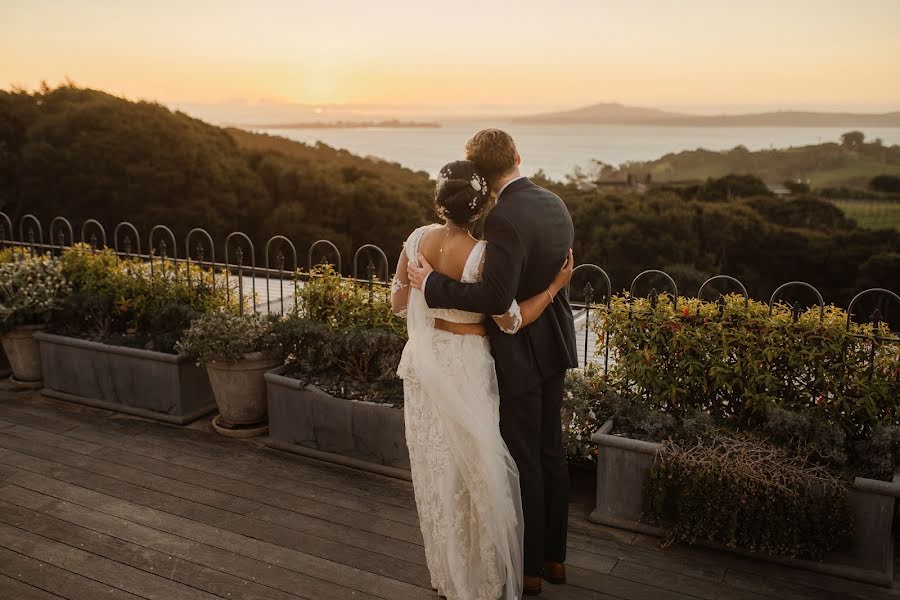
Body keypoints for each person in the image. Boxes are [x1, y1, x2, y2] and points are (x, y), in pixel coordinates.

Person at [391, 158, 573, 600]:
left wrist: (423, 286)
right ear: (482, 203)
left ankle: (447, 572)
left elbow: (397, 303)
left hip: (424, 362)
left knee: (436, 469)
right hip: (468, 363)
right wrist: (553, 287)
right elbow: (509, 319)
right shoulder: (482, 253)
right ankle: (481, 574)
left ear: (439, 200)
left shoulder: (415, 240)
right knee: (476, 468)